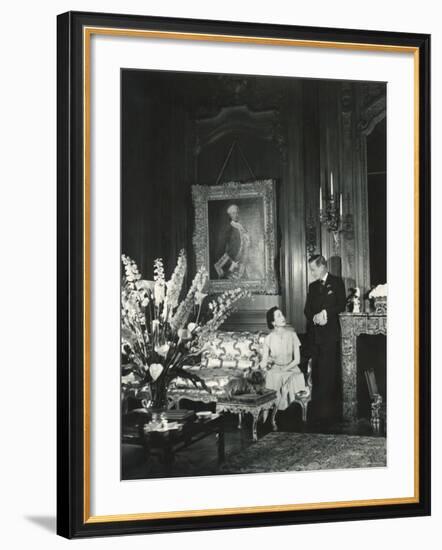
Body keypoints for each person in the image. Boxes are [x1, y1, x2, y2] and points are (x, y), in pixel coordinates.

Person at [304, 255, 346, 423]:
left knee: (329, 372)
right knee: (317, 373)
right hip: (315, 336)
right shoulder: (312, 286)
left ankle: (330, 412)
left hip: (330, 335)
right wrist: (314, 317)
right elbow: (307, 309)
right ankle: (317, 412)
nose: (312, 273)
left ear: (322, 266)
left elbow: (341, 304)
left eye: (313, 269)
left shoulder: (337, 282)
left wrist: (326, 313)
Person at [260, 306, 308, 411]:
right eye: (279, 316)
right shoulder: (268, 339)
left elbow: (297, 360)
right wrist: (261, 366)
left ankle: (285, 413)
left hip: (291, 369)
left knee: (288, 378)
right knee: (272, 376)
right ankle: (271, 414)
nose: (283, 317)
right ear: (273, 322)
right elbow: (264, 361)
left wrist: (285, 369)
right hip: (276, 370)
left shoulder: (292, 335)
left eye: (282, 315)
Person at [214, 204, 250, 280]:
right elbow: (220, 249)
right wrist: (230, 263)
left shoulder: (242, 227)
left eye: (237, 213)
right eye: (233, 213)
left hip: (241, 262)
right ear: (229, 215)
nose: (236, 215)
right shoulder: (228, 228)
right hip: (230, 264)